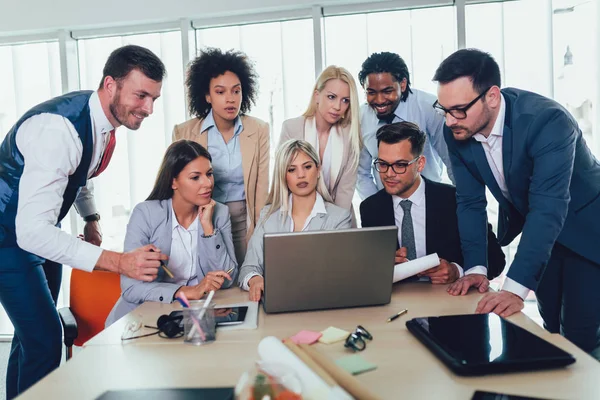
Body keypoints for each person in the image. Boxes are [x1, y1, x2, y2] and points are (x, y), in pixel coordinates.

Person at [0, 45, 169, 398]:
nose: (149, 108)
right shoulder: (59, 132)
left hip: (40, 228)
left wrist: (90, 217)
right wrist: (119, 261)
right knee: (46, 338)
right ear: (111, 84)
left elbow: (76, 175)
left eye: (154, 98)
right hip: (8, 237)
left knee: (30, 337)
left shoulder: (100, 123)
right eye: (141, 95)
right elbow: (30, 231)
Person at [433, 49, 600, 359]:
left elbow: (548, 207)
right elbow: (469, 202)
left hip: (588, 228)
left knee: (580, 334)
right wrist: (476, 269)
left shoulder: (547, 120)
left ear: (492, 97)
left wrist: (513, 287)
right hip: (543, 231)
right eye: (443, 109)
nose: (449, 120)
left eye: (458, 110)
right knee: (550, 328)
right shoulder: (456, 129)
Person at [105, 140, 236, 326]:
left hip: (191, 316)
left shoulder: (219, 213)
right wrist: (187, 290)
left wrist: (209, 229)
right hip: (140, 320)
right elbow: (131, 287)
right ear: (174, 181)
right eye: (195, 177)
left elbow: (228, 278)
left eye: (209, 174)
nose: (208, 183)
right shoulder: (146, 214)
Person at [360, 122, 505, 284]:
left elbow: (496, 260)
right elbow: (367, 271)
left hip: (450, 301)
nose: (389, 174)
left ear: (420, 163)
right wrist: (382, 266)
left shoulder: (455, 200)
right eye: (383, 164)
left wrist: (457, 271)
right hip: (396, 301)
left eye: (400, 165)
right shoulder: (371, 209)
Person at [173, 48, 270, 266]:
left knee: (248, 282)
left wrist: (259, 232)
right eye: (220, 92)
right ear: (206, 95)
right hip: (204, 219)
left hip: (246, 221)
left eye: (236, 91)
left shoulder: (259, 130)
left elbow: (262, 189)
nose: (230, 99)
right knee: (215, 284)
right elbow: (179, 186)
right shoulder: (184, 132)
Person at [239, 139, 352, 301]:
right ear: (283, 176)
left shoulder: (339, 218)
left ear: (318, 170)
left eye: (307, 167)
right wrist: (255, 279)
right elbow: (249, 267)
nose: (301, 175)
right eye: (291, 169)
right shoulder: (268, 216)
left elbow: (343, 273)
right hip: (277, 303)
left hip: (323, 302)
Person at [357, 52, 453, 200]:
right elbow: (361, 172)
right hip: (387, 202)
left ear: (402, 84)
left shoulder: (430, 108)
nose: (379, 100)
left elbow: (451, 161)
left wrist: (463, 205)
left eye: (387, 91)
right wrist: (377, 205)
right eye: (371, 92)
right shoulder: (361, 116)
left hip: (429, 200)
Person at [279, 65, 361, 212]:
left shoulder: (350, 135)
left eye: (345, 100)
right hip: (297, 218)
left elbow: (345, 191)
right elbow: (283, 184)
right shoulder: (291, 128)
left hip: (339, 220)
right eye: (331, 97)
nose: (337, 106)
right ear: (317, 95)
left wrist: (334, 226)